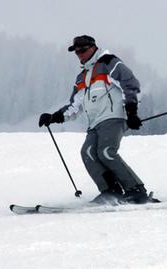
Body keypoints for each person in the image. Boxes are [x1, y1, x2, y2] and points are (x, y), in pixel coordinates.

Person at [39, 35, 153, 204]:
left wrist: (131, 111)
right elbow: (75, 105)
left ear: (93, 47)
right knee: (88, 153)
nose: (80, 54)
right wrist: (54, 117)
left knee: (106, 151)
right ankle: (111, 191)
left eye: (83, 50)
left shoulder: (108, 62)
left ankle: (136, 190)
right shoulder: (82, 77)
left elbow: (129, 82)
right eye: (76, 52)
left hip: (113, 117)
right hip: (95, 123)